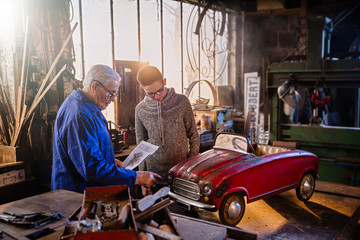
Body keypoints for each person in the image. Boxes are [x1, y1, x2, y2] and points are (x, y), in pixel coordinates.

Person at [51, 64, 161, 193]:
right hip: (76, 195)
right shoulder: (79, 114)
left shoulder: (88, 107)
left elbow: (84, 154)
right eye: (111, 93)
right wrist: (138, 177)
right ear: (95, 86)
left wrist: (108, 160)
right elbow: (92, 169)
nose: (114, 100)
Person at [135, 65, 200, 195]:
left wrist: (190, 169)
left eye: (159, 90)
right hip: (153, 176)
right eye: (151, 94)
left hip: (181, 172)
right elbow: (141, 145)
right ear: (143, 89)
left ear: (164, 82)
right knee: (158, 212)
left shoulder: (182, 102)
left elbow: (194, 135)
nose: (157, 96)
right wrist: (142, 178)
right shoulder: (140, 109)